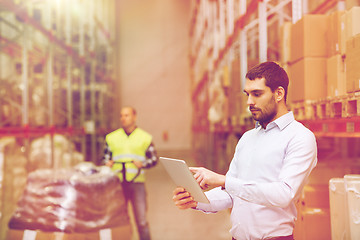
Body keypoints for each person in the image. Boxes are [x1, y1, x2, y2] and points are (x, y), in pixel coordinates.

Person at [172, 61, 317, 240]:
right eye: (247, 94)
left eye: (257, 94)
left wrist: (224, 180)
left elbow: (284, 194)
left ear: (279, 93)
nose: (249, 102)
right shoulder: (248, 139)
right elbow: (233, 193)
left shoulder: (300, 137)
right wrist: (198, 200)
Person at [102, 106, 157, 240]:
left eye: (126, 115)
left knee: (141, 221)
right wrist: (106, 162)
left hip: (137, 184)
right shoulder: (112, 138)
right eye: (121, 116)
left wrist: (143, 164)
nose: (123, 118)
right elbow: (104, 157)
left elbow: (154, 159)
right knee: (120, 221)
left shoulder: (145, 137)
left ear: (134, 117)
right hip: (118, 184)